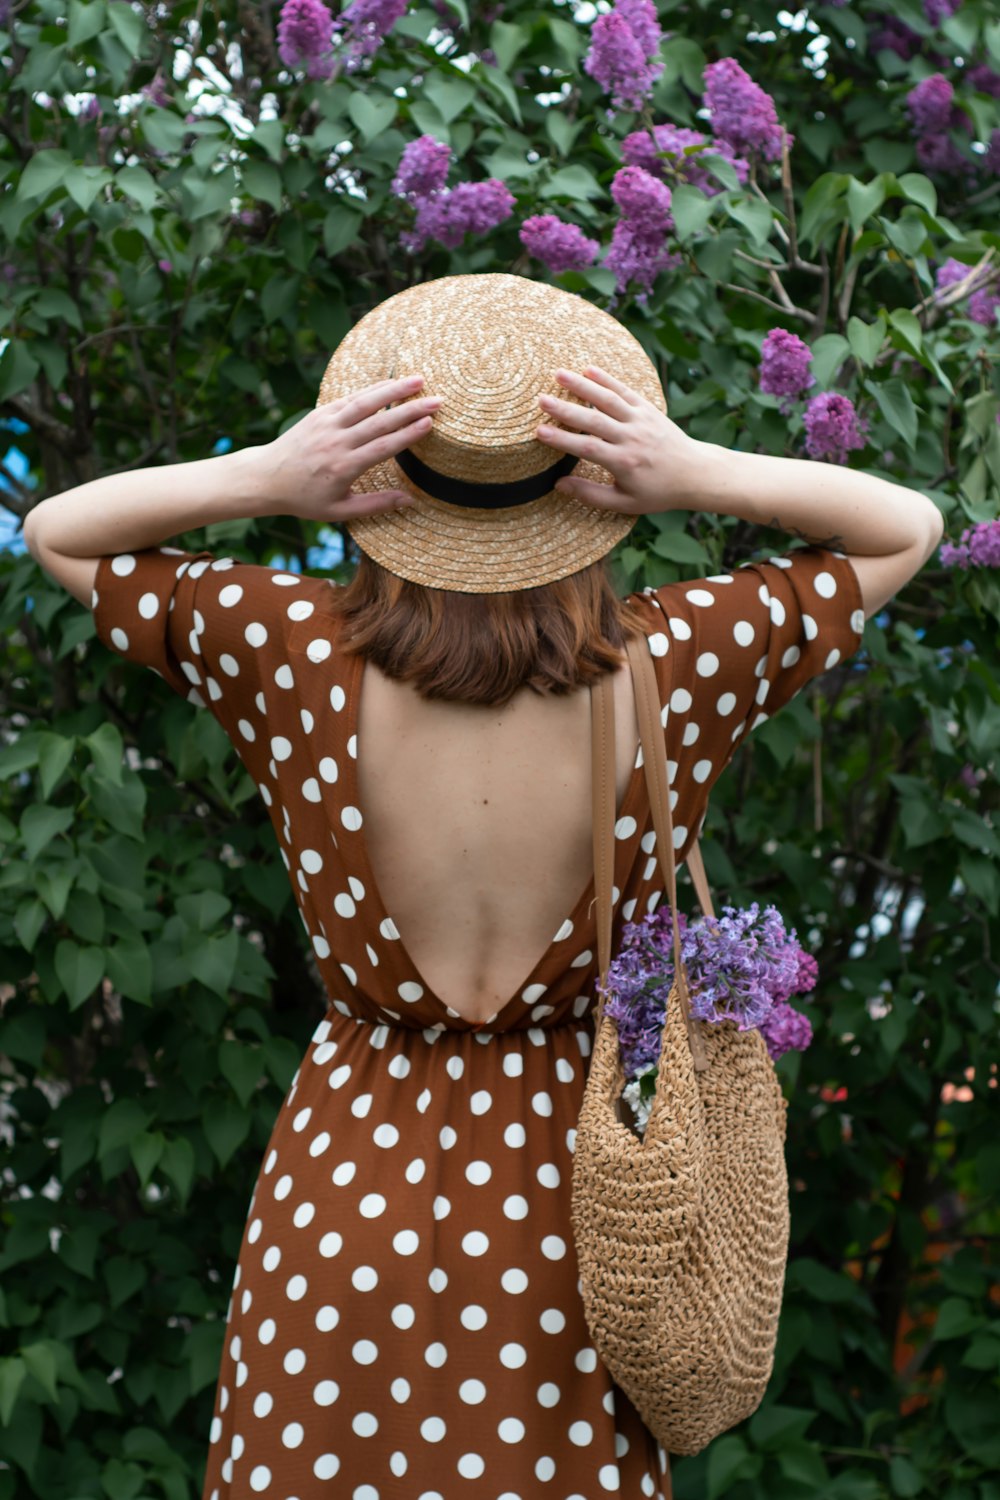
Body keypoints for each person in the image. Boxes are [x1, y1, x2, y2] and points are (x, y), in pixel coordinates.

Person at [24, 272, 943, 1498]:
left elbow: (60, 532)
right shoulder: (675, 664)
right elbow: (902, 528)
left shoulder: (286, 648)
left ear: (384, 487)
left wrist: (270, 478)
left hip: (344, 1174)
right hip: (576, 1203)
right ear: (589, 497)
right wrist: (688, 469)